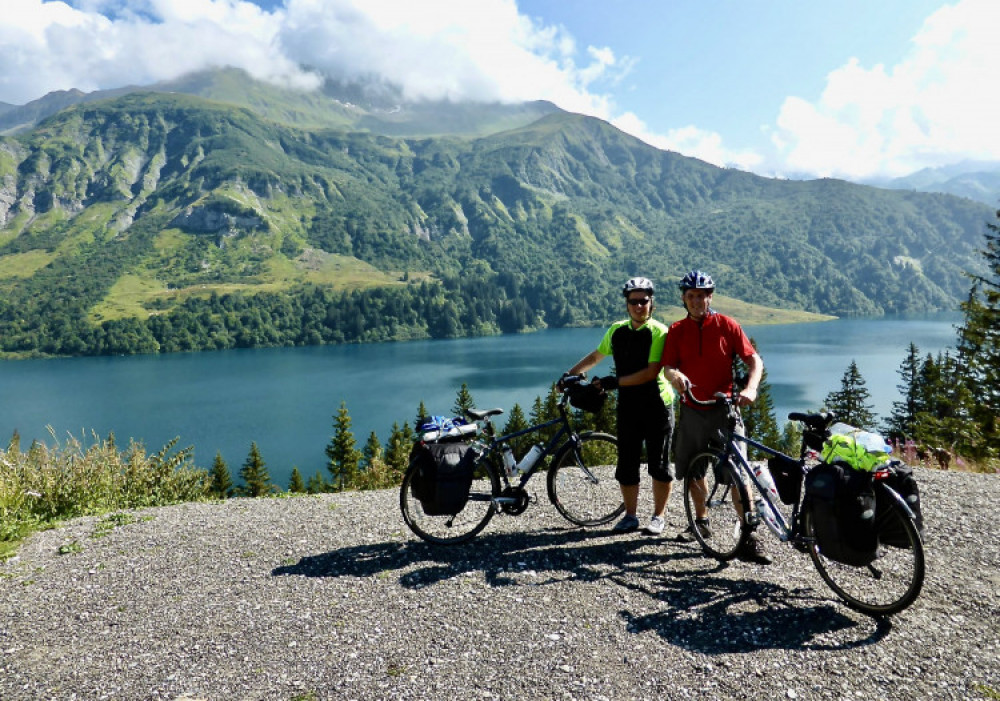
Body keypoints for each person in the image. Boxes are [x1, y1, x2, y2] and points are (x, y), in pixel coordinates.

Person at [659, 270, 771, 565]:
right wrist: (676, 376)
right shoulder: (677, 330)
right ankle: (701, 522)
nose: (697, 301)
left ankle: (749, 535)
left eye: (702, 295)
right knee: (694, 472)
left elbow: (753, 360)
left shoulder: (727, 325)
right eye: (691, 296)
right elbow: (668, 366)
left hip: (724, 411)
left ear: (710, 297)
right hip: (693, 410)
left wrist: (751, 388)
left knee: (738, 474)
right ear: (684, 298)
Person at [562, 277, 676, 534]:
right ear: (627, 304)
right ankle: (631, 516)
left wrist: (614, 382)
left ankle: (658, 516)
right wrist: (569, 374)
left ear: (651, 304)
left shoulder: (659, 332)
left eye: (643, 301)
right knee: (627, 464)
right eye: (633, 301)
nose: (638, 306)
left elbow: (649, 373)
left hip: (658, 405)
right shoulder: (616, 330)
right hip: (629, 406)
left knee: (659, 464)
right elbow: (595, 356)